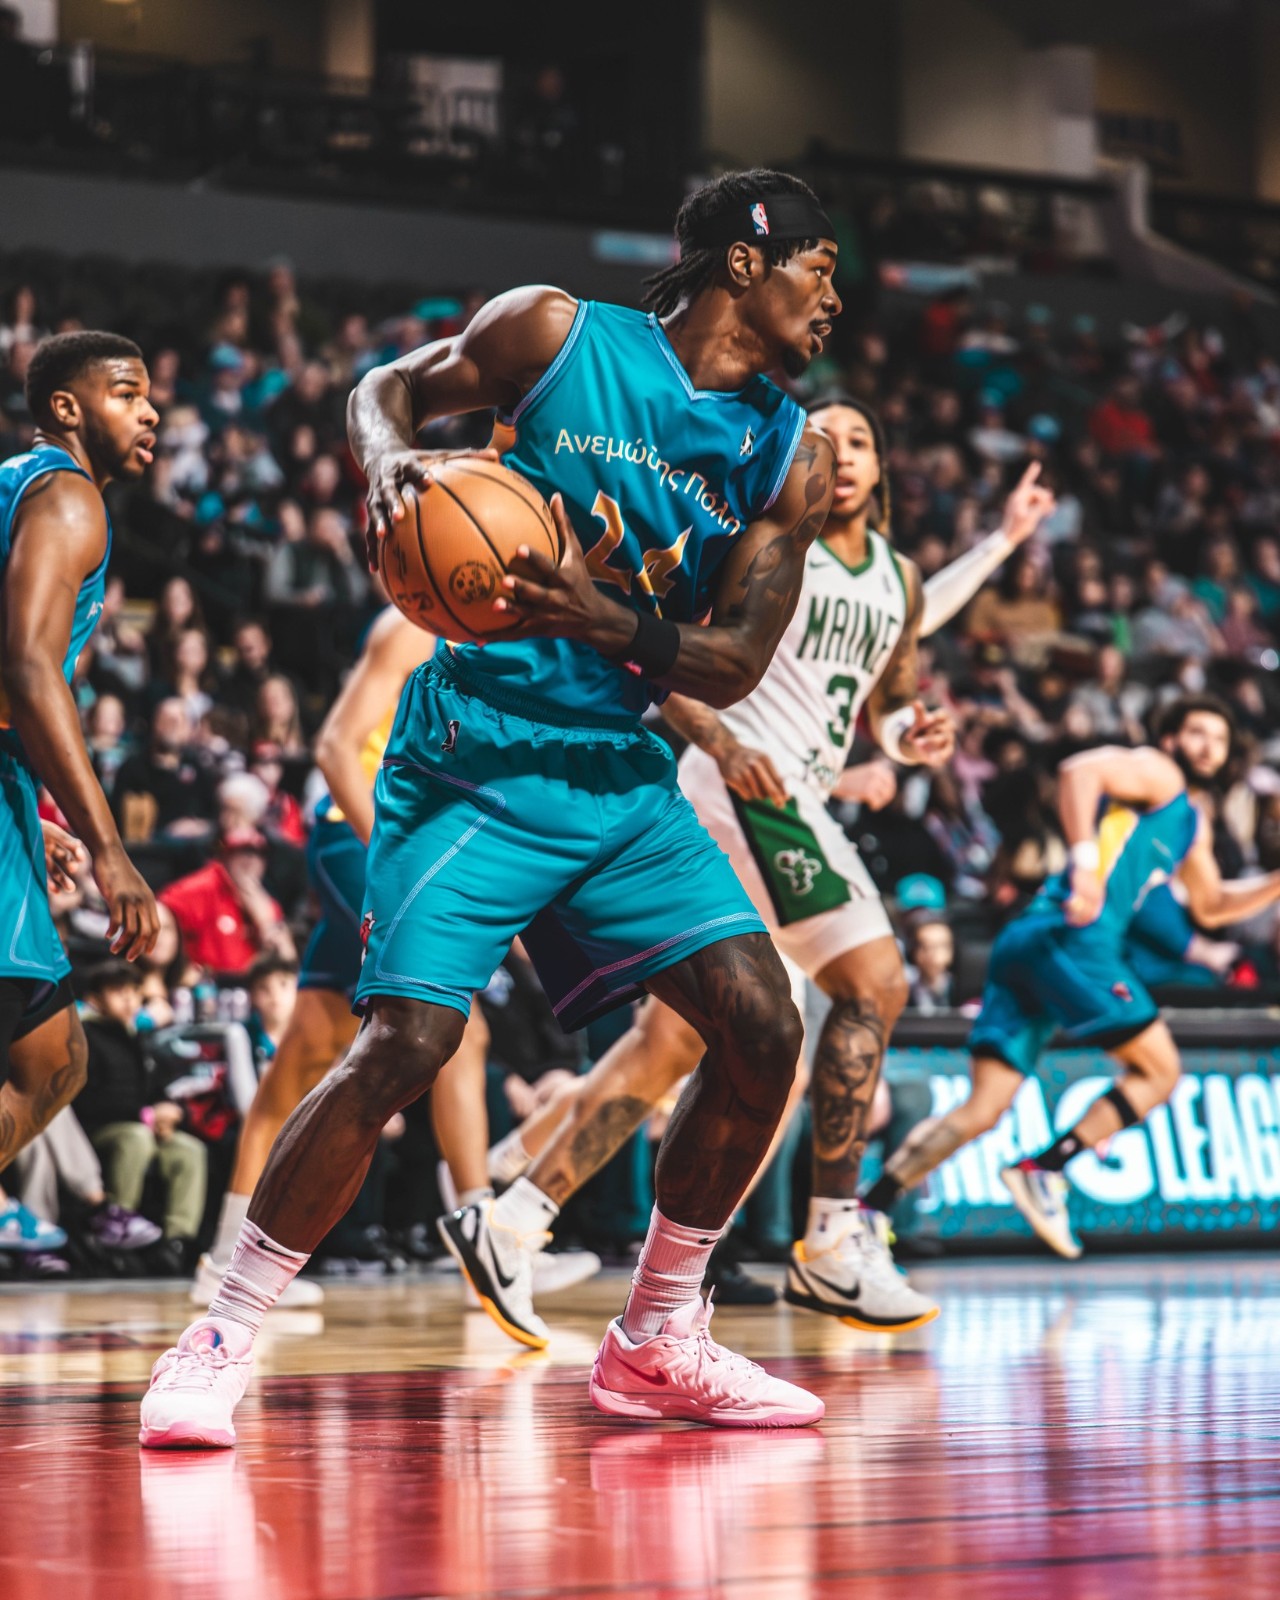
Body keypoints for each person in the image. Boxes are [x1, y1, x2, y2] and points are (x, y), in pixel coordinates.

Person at [143, 166, 844, 1446]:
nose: (832, 297)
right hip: (477, 749)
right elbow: (384, 389)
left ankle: (656, 1337)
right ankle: (221, 1333)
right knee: (405, 1043)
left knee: (761, 1024)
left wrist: (604, 619)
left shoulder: (782, 453)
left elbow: (736, 661)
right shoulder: (554, 334)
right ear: (747, 261)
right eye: (819, 266)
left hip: (617, 774)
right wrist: (388, 465)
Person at [448, 404, 1052, 1344]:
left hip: (782, 795)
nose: (838, 454)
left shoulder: (895, 579)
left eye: (858, 440)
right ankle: (833, 1239)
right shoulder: (764, 549)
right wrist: (724, 744)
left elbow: (889, 700)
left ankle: (511, 1218)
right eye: (820, 439)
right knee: (875, 982)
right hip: (746, 788)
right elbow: (662, 657)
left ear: (880, 467)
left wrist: (910, 735)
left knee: (670, 1048)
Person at [859, 697, 1280, 1258]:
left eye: (1219, 738)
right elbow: (1078, 772)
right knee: (1160, 1071)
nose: (1209, 747)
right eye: (1198, 733)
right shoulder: (1160, 772)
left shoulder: (1189, 824)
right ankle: (1043, 1168)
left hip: (1029, 942)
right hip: (1075, 937)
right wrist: (1083, 862)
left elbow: (1212, 904)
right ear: (1172, 739)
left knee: (982, 1110)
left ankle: (868, 1207)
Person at [186, 606, 496, 1311]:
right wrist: (401, 862)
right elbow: (337, 748)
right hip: (360, 832)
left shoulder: (505, 644)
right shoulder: (418, 622)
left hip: (395, 838)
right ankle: (487, 1241)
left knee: (302, 1055)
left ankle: (225, 1256)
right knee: (463, 1027)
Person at [0, 331, 159, 1196]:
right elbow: (29, 669)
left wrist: (39, 817)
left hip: (10, 789)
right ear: (66, 408)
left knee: (54, 1056)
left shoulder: (19, 486)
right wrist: (108, 848)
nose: (150, 412)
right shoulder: (69, 499)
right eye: (127, 393)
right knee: (43, 1060)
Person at [72, 960, 206, 1272]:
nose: (129, 999)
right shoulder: (86, 1036)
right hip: (99, 1131)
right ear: (95, 998)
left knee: (189, 1150)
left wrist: (173, 1113)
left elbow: (158, 1091)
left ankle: (176, 1241)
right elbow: (87, 1101)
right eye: (118, 992)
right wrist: (146, 1116)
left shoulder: (138, 1038)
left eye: (134, 991)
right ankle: (116, 1228)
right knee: (135, 1138)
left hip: (144, 1127)